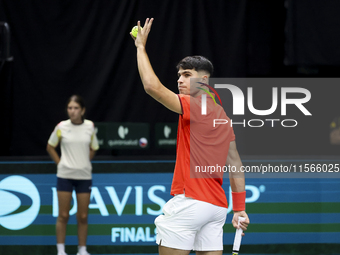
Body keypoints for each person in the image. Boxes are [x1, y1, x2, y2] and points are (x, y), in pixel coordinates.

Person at [131, 18, 250, 255]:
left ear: (203, 80)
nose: (179, 80)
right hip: (216, 207)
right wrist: (239, 209)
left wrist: (141, 48)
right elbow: (235, 164)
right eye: (179, 75)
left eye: (186, 74)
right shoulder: (222, 116)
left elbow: (151, 87)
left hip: (192, 202)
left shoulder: (197, 104)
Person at [46, 95, 99, 255]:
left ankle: (82, 250)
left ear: (82, 110)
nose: (72, 111)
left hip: (84, 177)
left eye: (76, 108)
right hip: (65, 176)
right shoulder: (61, 126)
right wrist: (61, 163)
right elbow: (50, 147)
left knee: (82, 216)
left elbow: (94, 147)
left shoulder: (90, 126)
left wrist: (83, 162)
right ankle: (61, 251)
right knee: (63, 215)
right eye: (70, 108)